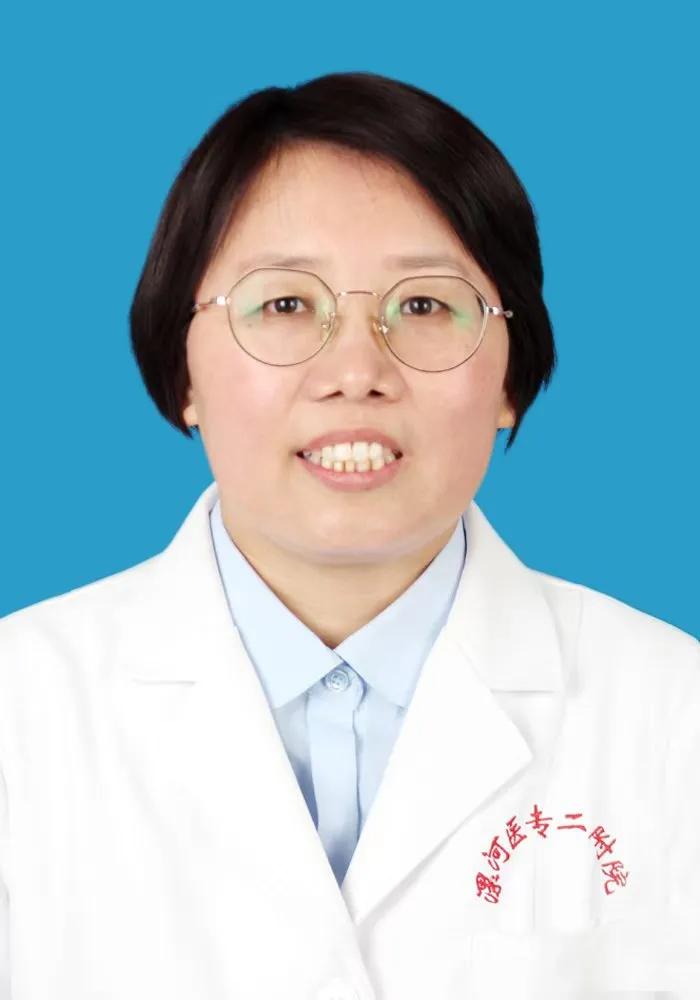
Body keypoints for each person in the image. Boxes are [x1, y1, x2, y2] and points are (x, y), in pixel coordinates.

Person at [0, 71, 697, 1000]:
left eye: (424, 306)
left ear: (509, 379)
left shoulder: (672, 715)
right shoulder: (21, 713)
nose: (356, 369)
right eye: (286, 305)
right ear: (184, 370)